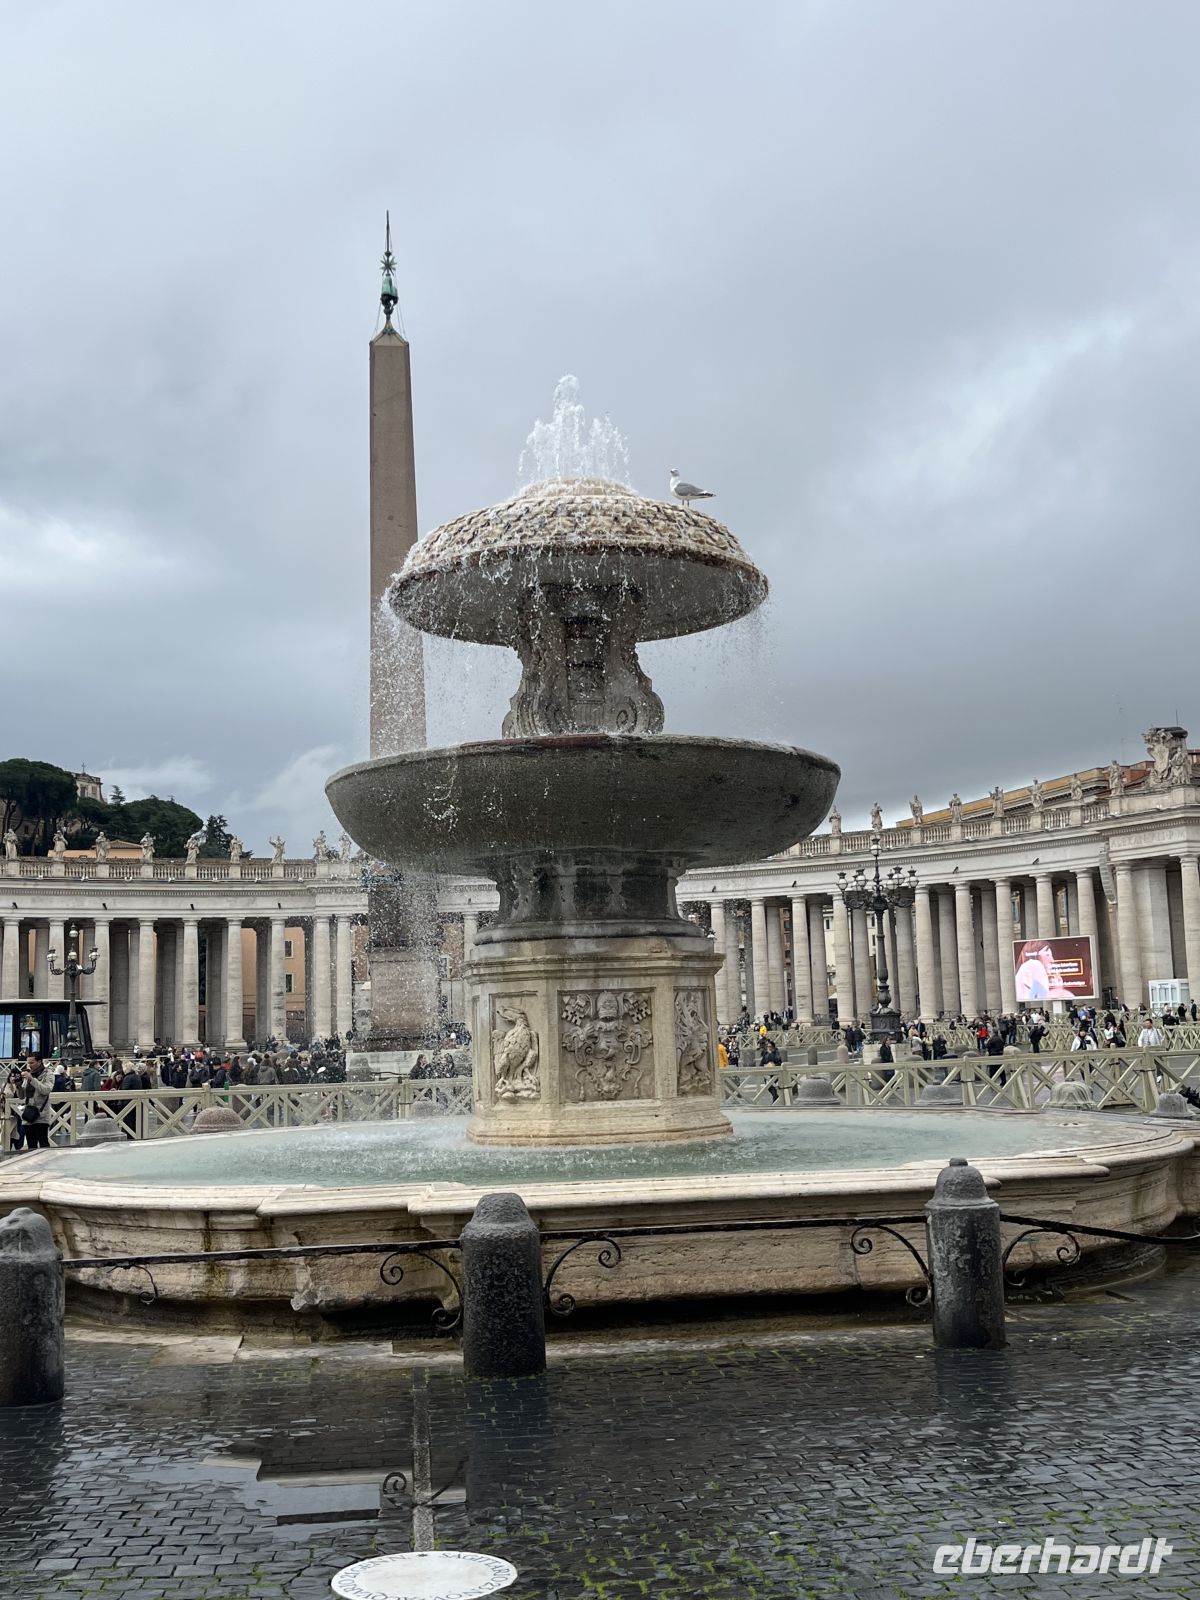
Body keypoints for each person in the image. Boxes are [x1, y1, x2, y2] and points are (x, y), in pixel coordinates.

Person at [20, 1057, 55, 1150]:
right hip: (28, 1114)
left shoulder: (48, 1073)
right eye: (28, 1063)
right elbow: (21, 1096)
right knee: (31, 1145)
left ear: (39, 1062)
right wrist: (18, 1085)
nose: (29, 1065)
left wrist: (32, 1079)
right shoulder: (28, 1073)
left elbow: (46, 1090)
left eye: (32, 1063)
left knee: (43, 1143)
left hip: (41, 1114)